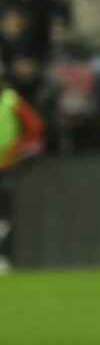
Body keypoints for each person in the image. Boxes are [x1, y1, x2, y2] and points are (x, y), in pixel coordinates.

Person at [0, 79, 46, 274]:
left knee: (3, 217)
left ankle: (3, 258)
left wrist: (17, 149)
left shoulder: (11, 101)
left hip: (5, 166)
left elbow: (35, 127)